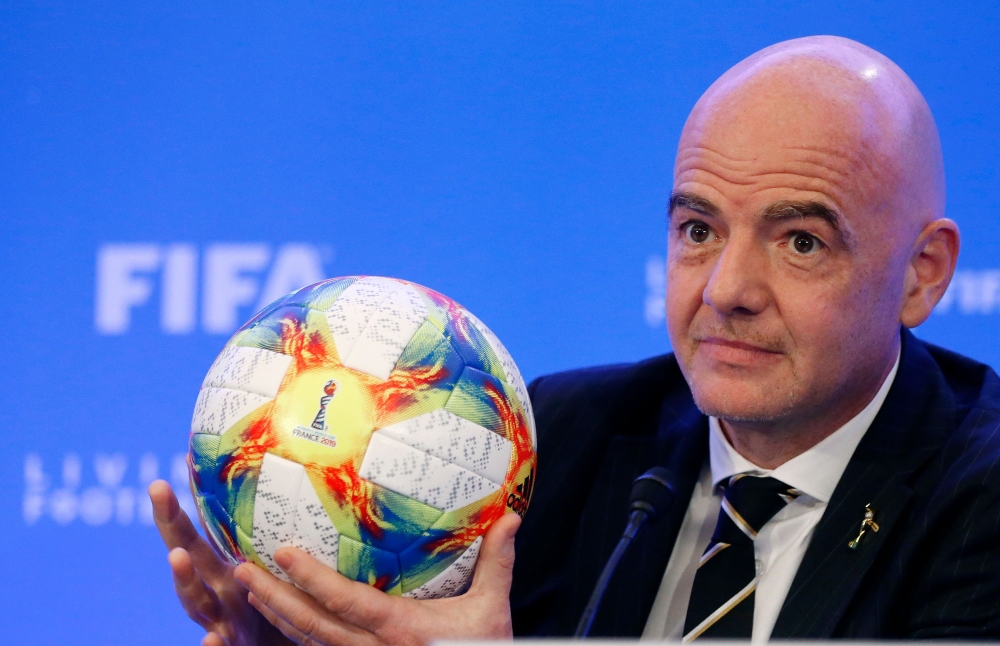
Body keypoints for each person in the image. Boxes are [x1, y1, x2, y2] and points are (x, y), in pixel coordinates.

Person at [149, 35, 1000, 645]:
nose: (727, 291)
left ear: (923, 273)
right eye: (699, 230)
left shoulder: (981, 495)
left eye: (800, 242)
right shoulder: (543, 441)